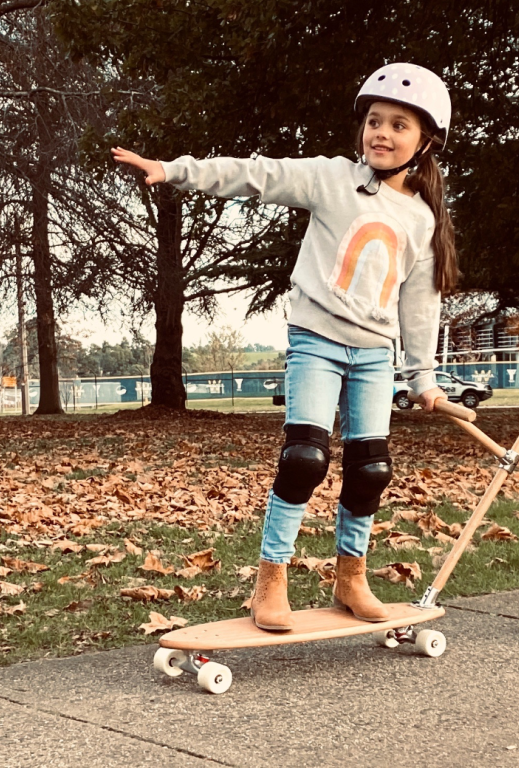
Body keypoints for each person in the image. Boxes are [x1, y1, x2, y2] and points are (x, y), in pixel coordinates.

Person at [113, 63, 454, 631]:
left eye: (399, 125)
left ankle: (352, 576)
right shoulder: (330, 179)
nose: (382, 134)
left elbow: (420, 304)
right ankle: (271, 580)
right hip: (316, 341)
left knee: (371, 469)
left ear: (425, 142)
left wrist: (422, 377)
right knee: (306, 458)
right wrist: (173, 170)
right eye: (374, 121)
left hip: (374, 354)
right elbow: (256, 174)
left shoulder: (421, 218)